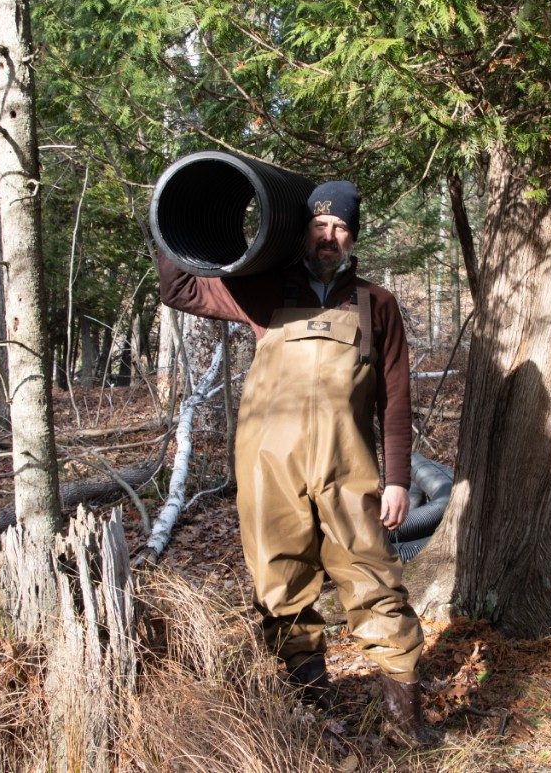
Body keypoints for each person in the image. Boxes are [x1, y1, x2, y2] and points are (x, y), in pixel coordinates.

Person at [157, 179, 437, 745]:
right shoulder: (262, 291)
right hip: (269, 470)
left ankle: (404, 721)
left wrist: (399, 480)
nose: (329, 236)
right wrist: (175, 222)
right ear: (302, 231)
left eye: (340, 228)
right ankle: (312, 712)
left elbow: (397, 398)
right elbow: (182, 286)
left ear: (352, 236)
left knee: (376, 580)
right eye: (320, 226)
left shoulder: (375, 303)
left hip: (348, 471)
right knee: (280, 583)